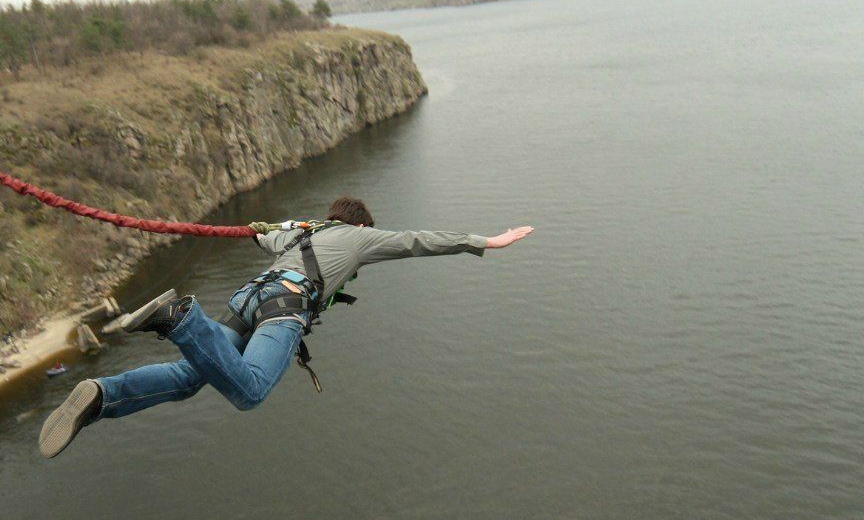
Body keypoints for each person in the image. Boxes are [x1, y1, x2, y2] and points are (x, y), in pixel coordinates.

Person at [38, 196, 533, 458]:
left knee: (190, 379)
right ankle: (179, 319)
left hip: (248, 299)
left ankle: (102, 396)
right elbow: (415, 240)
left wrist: (273, 228)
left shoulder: (298, 234)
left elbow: (262, 235)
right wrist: (485, 241)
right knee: (250, 390)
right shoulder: (359, 237)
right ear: (361, 226)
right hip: (283, 307)